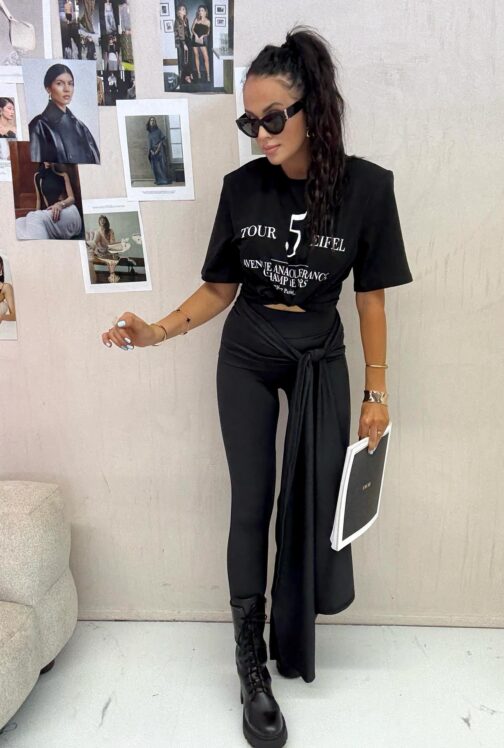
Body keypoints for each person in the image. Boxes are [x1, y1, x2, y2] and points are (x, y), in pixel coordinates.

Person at [101, 27, 413, 748]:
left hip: (318, 355)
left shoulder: (367, 189)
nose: (262, 134)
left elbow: (370, 297)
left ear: (312, 109)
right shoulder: (242, 190)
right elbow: (220, 288)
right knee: (252, 500)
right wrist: (156, 330)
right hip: (247, 349)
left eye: (274, 117)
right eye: (251, 122)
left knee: (312, 499)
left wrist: (377, 394)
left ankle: (293, 636)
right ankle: (250, 661)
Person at [29, 64, 100, 164]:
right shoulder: (39, 126)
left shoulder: (81, 127)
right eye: (59, 83)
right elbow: (34, 167)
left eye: (70, 84)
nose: (67, 89)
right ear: (48, 88)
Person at [15, 162, 83, 240]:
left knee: (33, 217)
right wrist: (37, 213)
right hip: (51, 213)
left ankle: (39, 244)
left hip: (67, 210)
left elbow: (72, 198)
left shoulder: (62, 174)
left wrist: (60, 205)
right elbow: (39, 199)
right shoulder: (37, 176)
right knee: (18, 222)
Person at [146, 117, 172, 185]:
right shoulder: (149, 133)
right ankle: (158, 180)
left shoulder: (159, 131)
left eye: (154, 120)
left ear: (155, 122)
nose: (152, 122)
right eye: (151, 120)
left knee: (161, 165)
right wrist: (151, 151)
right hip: (152, 152)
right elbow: (149, 144)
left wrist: (157, 150)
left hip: (160, 151)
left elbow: (162, 140)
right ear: (149, 122)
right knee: (155, 166)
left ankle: (163, 180)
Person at [191, 5, 211, 83]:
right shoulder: (196, 19)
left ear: (205, 12)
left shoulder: (208, 21)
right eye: (199, 10)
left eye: (202, 10)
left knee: (206, 57)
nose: (200, 12)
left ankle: (208, 74)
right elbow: (192, 29)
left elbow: (208, 32)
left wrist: (203, 36)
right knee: (196, 56)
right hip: (195, 39)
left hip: (202, 40)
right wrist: (195, 35)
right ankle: (198, 72)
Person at [174, 5, 193, 84]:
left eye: (185, 9)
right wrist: (184, 44)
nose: (185, 10)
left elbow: (187, 31)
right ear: (179, 12)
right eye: (183, 9)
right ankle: (186, 76)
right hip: (182, 42)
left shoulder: (186, 19)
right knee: (185, 60)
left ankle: (190, 72)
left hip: (188, 40)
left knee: (189, 58)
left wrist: (189, 39)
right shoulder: (177, 21)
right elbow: (180, 34)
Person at [0, 256, 16, 326]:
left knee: (3, 306)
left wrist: (2, 317)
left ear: (1, 269)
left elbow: (14, 316)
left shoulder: (6, 287)